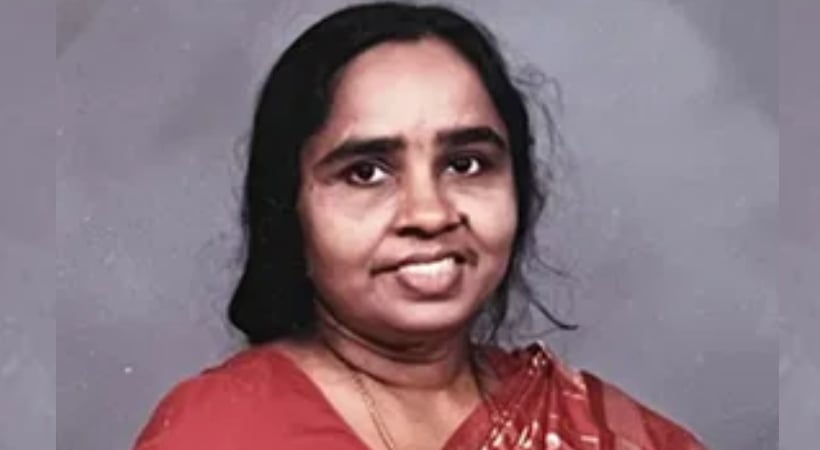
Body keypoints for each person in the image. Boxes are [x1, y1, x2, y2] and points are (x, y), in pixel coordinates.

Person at [133, 3, 707, 449]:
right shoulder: (220, 431)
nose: (430, 214)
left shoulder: (601, 432)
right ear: (288, 209)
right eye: (366, 172)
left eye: (466, 164)